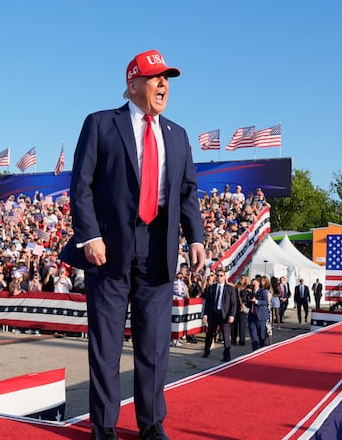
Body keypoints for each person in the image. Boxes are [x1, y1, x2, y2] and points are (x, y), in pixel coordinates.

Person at [58, 49, 206, 440]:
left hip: (159, 248)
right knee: (106, 342)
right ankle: (103, 425)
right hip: (109, 249)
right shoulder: (101, 124)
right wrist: (90, 235)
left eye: (167, 79)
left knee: (154, 344)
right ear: (133, 83)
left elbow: (187, 192)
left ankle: (151, 423)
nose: (163, 85)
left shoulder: (178, 135)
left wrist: (196, 238)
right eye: (156, 77)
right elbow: (81, 186)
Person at [202, 268, 236, 362]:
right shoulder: (211, 288)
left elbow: (233, 303)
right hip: (213, 314)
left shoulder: (230, 289)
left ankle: (227, 354)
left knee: (225, 335)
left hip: (224, 315)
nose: (219, 277)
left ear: (224, 277)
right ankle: (206, 351)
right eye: (217, 275)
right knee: (210, 334)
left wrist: (231, 315)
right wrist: (205, 314)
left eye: (221, 275)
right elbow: (207, 303)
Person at [248, 276, 270, 350]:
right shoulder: (250, 292)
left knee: (261, 335)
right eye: (252, 284)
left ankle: (262, 348)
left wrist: (257, 301)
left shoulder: (263, 291)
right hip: (252, 316)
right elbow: (248, 303)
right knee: (253, 335)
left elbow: (266, 302)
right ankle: (254, 350)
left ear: (258, 283)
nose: (253, 285)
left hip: (261, 316)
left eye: (255, 284)